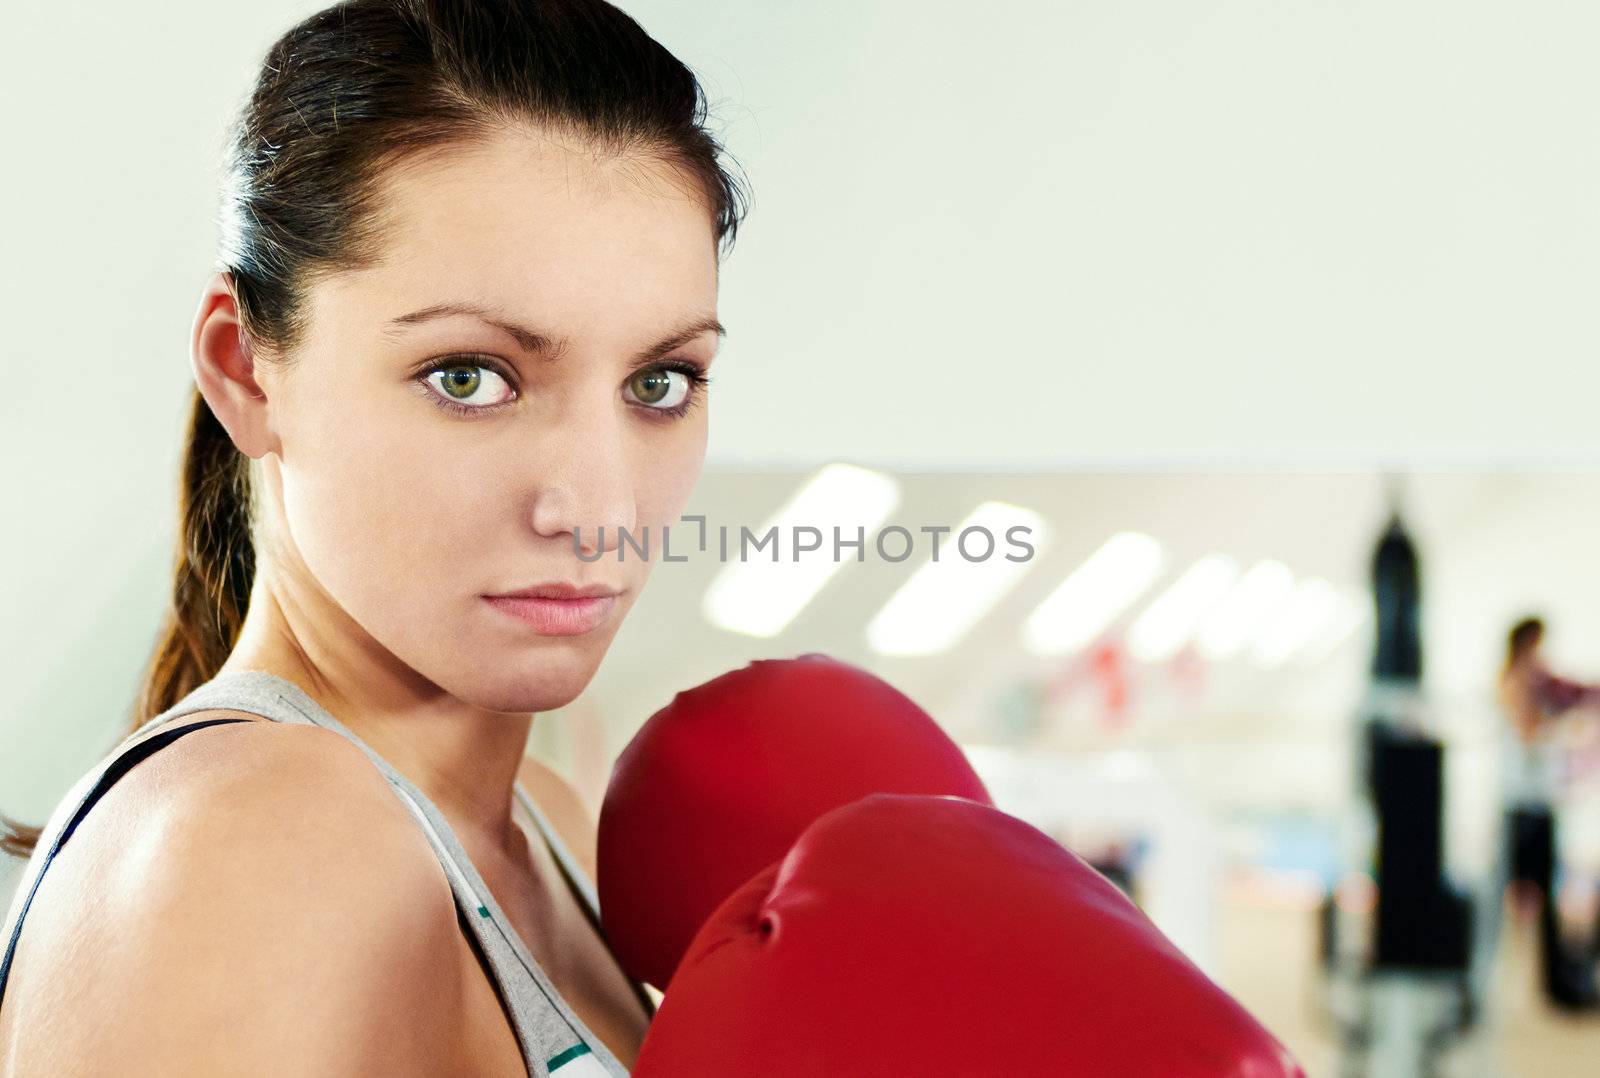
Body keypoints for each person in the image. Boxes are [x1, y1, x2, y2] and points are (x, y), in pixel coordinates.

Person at [0, 0, 748, 1073]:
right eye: (470, 377)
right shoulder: (259, 843)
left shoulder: (550, 822)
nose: (599, 508)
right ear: (245, 370)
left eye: (658, 381)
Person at [1494, 615, 1600, 1010]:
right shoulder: (1519, 682)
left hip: (1532, 805)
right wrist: (1566, 726)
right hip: (1527, 808)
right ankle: (1554, 987)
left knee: (1539, 907)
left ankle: (1557, 984)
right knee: (1529, 904)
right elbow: (1530, 731)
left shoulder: (1531, 683)